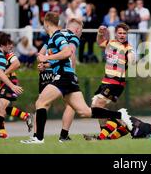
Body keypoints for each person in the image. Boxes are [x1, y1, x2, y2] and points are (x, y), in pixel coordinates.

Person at [22, 12, 130, 144]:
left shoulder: (58, 35)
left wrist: (47, 58)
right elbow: (63, 56)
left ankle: (38, 138)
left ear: (45, 23)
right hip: (67, 76)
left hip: (64, 76)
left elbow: (68, 53)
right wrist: (47, 64)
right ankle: (120, 115)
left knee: (41, 103)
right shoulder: (58, 36)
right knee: (84, 111)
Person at [90, 23, 136, 140]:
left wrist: (131, 58)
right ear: (116, 33)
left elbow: (131, 56)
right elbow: (100, 43)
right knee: (95, 107)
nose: (122, 35)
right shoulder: (111, 43)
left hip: (116, 82)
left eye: (124, 33)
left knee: (97, 106)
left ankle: (120, 118)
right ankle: (104, 134)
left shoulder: (127, 47)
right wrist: (100, 33)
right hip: (106, 81)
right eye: (120, 33)